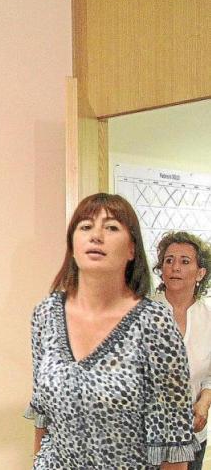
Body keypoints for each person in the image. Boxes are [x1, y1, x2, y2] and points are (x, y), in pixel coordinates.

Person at [25, 193, 198, 469]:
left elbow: (173, 445)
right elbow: (43, 417)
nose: (96, 236)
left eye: (111, 227)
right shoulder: (46, 314)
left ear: (131, 249)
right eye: (85, 226)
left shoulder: (154, 323)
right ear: (72, 244)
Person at [154, 231, 211, 470]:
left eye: (185, 261)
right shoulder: (141, 313)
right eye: (169, 260)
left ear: (200, 273)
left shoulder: (208, 319)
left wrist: (204, 402)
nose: (175, 267)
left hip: (192, 436)